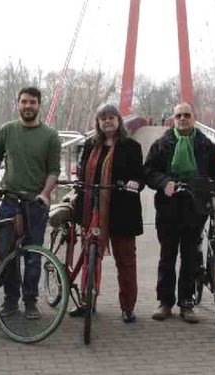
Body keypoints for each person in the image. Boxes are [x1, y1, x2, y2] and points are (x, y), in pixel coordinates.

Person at [144, 102, 215, 323]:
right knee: (167, 256)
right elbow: (149, 171)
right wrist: (164, 182)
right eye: (179, 115)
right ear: (173, 119)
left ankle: (187, 303)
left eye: (187, 115)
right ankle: (165, 302)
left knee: (190, 257)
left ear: (194, 118)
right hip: (168, 208)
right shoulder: (162, 144)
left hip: (195, 208)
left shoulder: (205, 144)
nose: (183, 118)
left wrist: (210, 184)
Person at [0, 86, 61, 319]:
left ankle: (30, 301)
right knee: (7, 252)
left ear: (39, 105)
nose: (28, 106)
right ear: (17, 104)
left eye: (32, 102)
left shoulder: (50, 136)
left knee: (33, 254)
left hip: (35, 203)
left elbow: (54, 171)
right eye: (24, 102)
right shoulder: (6, 130)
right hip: (9, 200)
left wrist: (45, 193)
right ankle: (11, 300)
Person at [73, 104, 144, 323]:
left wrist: (134, 183)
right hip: (93, 209)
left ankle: (128, 307)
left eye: (111, 117)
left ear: (119, 120)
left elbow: (140, 178)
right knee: (89, 257)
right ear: (97, 122)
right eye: (103, 118)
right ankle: (88, 301)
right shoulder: (89, 145)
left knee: (126, 261)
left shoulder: (131, 146)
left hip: (123, 210)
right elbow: (81, 173)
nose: (107, 122)